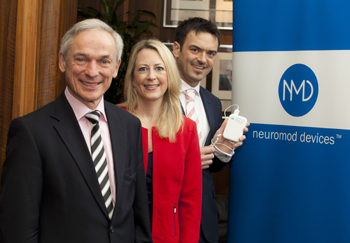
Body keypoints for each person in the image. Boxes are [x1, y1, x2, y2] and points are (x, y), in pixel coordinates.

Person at [0, 19, 152, 243]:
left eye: (103, 61)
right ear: (63, 61)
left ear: (116, 67)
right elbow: (17, 228)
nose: (92, 72)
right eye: (81, 59)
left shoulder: (130, 125)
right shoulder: (30, 132)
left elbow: (138, 213)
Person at [172, 17, 250, 243]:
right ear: (176, 49)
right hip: (164, 214)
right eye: (195, 49)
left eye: (211, 53)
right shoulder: (154, 95)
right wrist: (190, 157)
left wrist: (224, 151)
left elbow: (212, 166)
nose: (202, 59)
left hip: (203, 221)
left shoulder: (213, 103)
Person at [120, 38, 202, 242]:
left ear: (169, 76)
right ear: (132, 78)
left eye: (159, 68)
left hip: (166, 236)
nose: (151, 77)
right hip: (120, 235)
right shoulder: (112, 120)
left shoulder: (187, 129)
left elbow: (190, 201)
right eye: (142, 69)